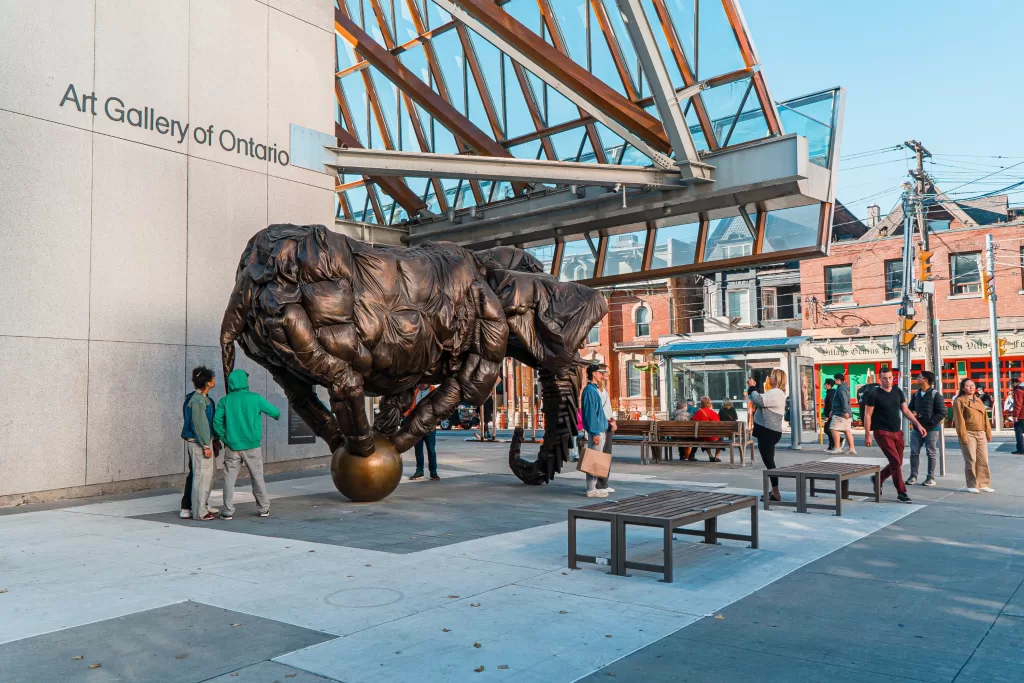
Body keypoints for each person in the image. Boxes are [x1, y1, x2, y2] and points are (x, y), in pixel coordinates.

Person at [213, 369, 280, 519]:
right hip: (252, 446)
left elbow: (216, 422)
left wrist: (225, 438)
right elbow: (275, 412)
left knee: (229, 479)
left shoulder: (225, 400)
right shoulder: (255, 398)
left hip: (232, 446)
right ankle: (263, 508)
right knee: (257, 477)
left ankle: (227, 511)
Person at [864, 367, 927, 504]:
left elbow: (905, 410)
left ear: (893, 378)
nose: (888, 381)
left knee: (896, 462)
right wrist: (867, 434)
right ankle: (901, 493)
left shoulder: (898, 392)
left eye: (890, 377)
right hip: (882, 432)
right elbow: (868, 415)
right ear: (879, 379)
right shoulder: (874, 394)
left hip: (897, 432)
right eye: (884, 378)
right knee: (895, 462)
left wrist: (918, 424)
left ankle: (878, 478)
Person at [181, 366, 219, 521]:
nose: (214, 380)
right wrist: (205, 445)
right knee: (201, 476)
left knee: (208, 475)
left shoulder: (200, 398)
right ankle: (199, 511)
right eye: (213, 378)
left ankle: (203, 505)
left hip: (202, 441)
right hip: (199, 443)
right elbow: (200, 424)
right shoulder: (198, 400)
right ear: (208, 382)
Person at [747, 370, 788, 502]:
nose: (769, 378)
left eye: (771, 376)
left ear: (776, 378)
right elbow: (762, 399)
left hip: (768, 431)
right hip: (769, 431)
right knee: (769, 462)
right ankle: (775, 490)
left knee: (769, 463)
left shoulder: (776, 392)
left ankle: (775, 492)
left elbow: (758, 399)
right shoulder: (776, 393)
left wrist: (752, 387)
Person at [952, 379, 994, 494]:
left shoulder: (978, 400)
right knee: (971, 460)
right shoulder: (959, 401)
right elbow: (959, 420)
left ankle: (984, 484)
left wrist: (988, 432)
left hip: (981, 433)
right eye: (968, 386)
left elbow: (985, 418)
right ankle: (972, 484)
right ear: (963, 388)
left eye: (972, 385)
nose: (971, 388)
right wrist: (963, 435)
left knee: (983, 459)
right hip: (968, 433)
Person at [906, 370, 946, 487]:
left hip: (932, 429)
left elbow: (942, 412)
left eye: (919, 377)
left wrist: (931, 421)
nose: (917, 379)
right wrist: (913, 414)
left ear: (926, 380)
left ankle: (930, 477)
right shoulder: (916, 394)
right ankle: (913, 476)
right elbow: (909, 409)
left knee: (931, 453)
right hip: (916, 428)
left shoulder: (935, 394)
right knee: (914, 453)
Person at [581, 364, 611, 497]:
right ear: (594, 374)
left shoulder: (592, 390)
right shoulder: (590, 391)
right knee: (594, 459)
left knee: (596, 459)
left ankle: (592, 488)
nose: (601, 375)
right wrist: (595, 432)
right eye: (600, 373)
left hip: (599, 429)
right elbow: (590, 413)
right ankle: (591, 489)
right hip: (597, 430)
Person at [410, 384, 439, 481]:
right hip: (417, 425)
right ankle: (419, 471)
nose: (417, 384)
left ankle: (433, 472)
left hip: (429, 425)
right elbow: (411, 408)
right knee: (418, 449)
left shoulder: (433, 390)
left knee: (431, 449)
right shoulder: (415, 392)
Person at [596, 365, 616, 494]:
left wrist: (612, 420)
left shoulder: (604, 390)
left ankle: (604, 482)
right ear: (601, 374)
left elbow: (608, 408)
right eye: (607, 372)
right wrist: (610, 420)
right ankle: (599, 484)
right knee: (601, 455)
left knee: (606, 454)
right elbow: (601, 410)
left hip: (608, 424)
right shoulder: (596, 390)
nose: (609, 373)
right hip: (602, 425)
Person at [828, 373, 857, 455]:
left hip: (840, 413)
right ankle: (852, 448)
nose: (834, 381)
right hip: (845, 412)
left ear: (838, 380)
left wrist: (844, 411)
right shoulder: (845, 387)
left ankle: (837, 447)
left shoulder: (840, 389)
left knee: (833, 429)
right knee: (846, 430)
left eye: (835, 379)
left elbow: (843, 401)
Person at [692, 396, 722, 462]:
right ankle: (716, 457)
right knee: (720, 438)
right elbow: (718, 423)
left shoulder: (698, 412)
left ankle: (710, 456)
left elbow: (694, 422)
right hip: (714, 437)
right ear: (709, 404)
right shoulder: (713, 413)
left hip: (703, 436)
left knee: (704, 437)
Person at [1010, 378, 1024, 455]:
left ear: (1015, 382)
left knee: (1018, 433)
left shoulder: (1018, 390)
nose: (1011, 385)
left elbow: (1018, 404)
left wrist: (1015, 415)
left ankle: (1020, 449)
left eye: (1012, 383)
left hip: (1021, 415)